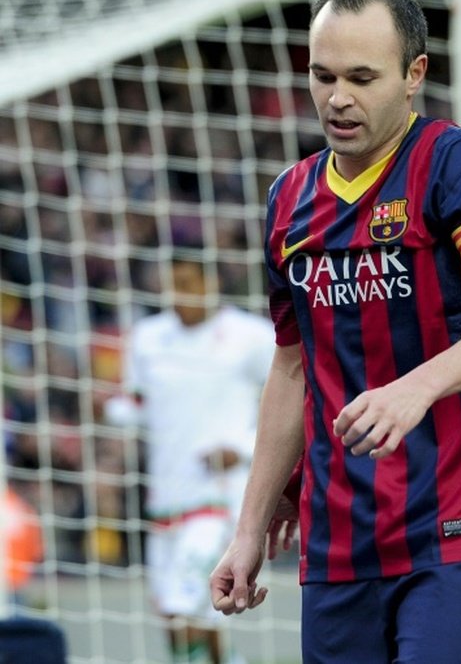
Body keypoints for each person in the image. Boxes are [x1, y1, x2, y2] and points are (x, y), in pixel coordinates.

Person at [208, 0, 461, 664]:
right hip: (337, 543)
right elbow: (292, 366)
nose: (337, 98)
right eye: (322, 75)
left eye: (362, 77)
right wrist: (248, 528)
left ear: (414, 73)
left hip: (454, 533)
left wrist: (415, 388)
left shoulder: (450, 162)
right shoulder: (288, 201)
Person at [104, 254, 274, 664]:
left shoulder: (250, 335)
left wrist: (245, 447)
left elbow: (294, 398)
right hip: (165, 497)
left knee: (188, 612)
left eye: (188, 282)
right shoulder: (147, 337)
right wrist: (108, 410)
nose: (179, 293)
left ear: (210, 283)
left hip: (220, 499)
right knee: (177, 619)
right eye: (172, 283)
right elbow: (135, 404)